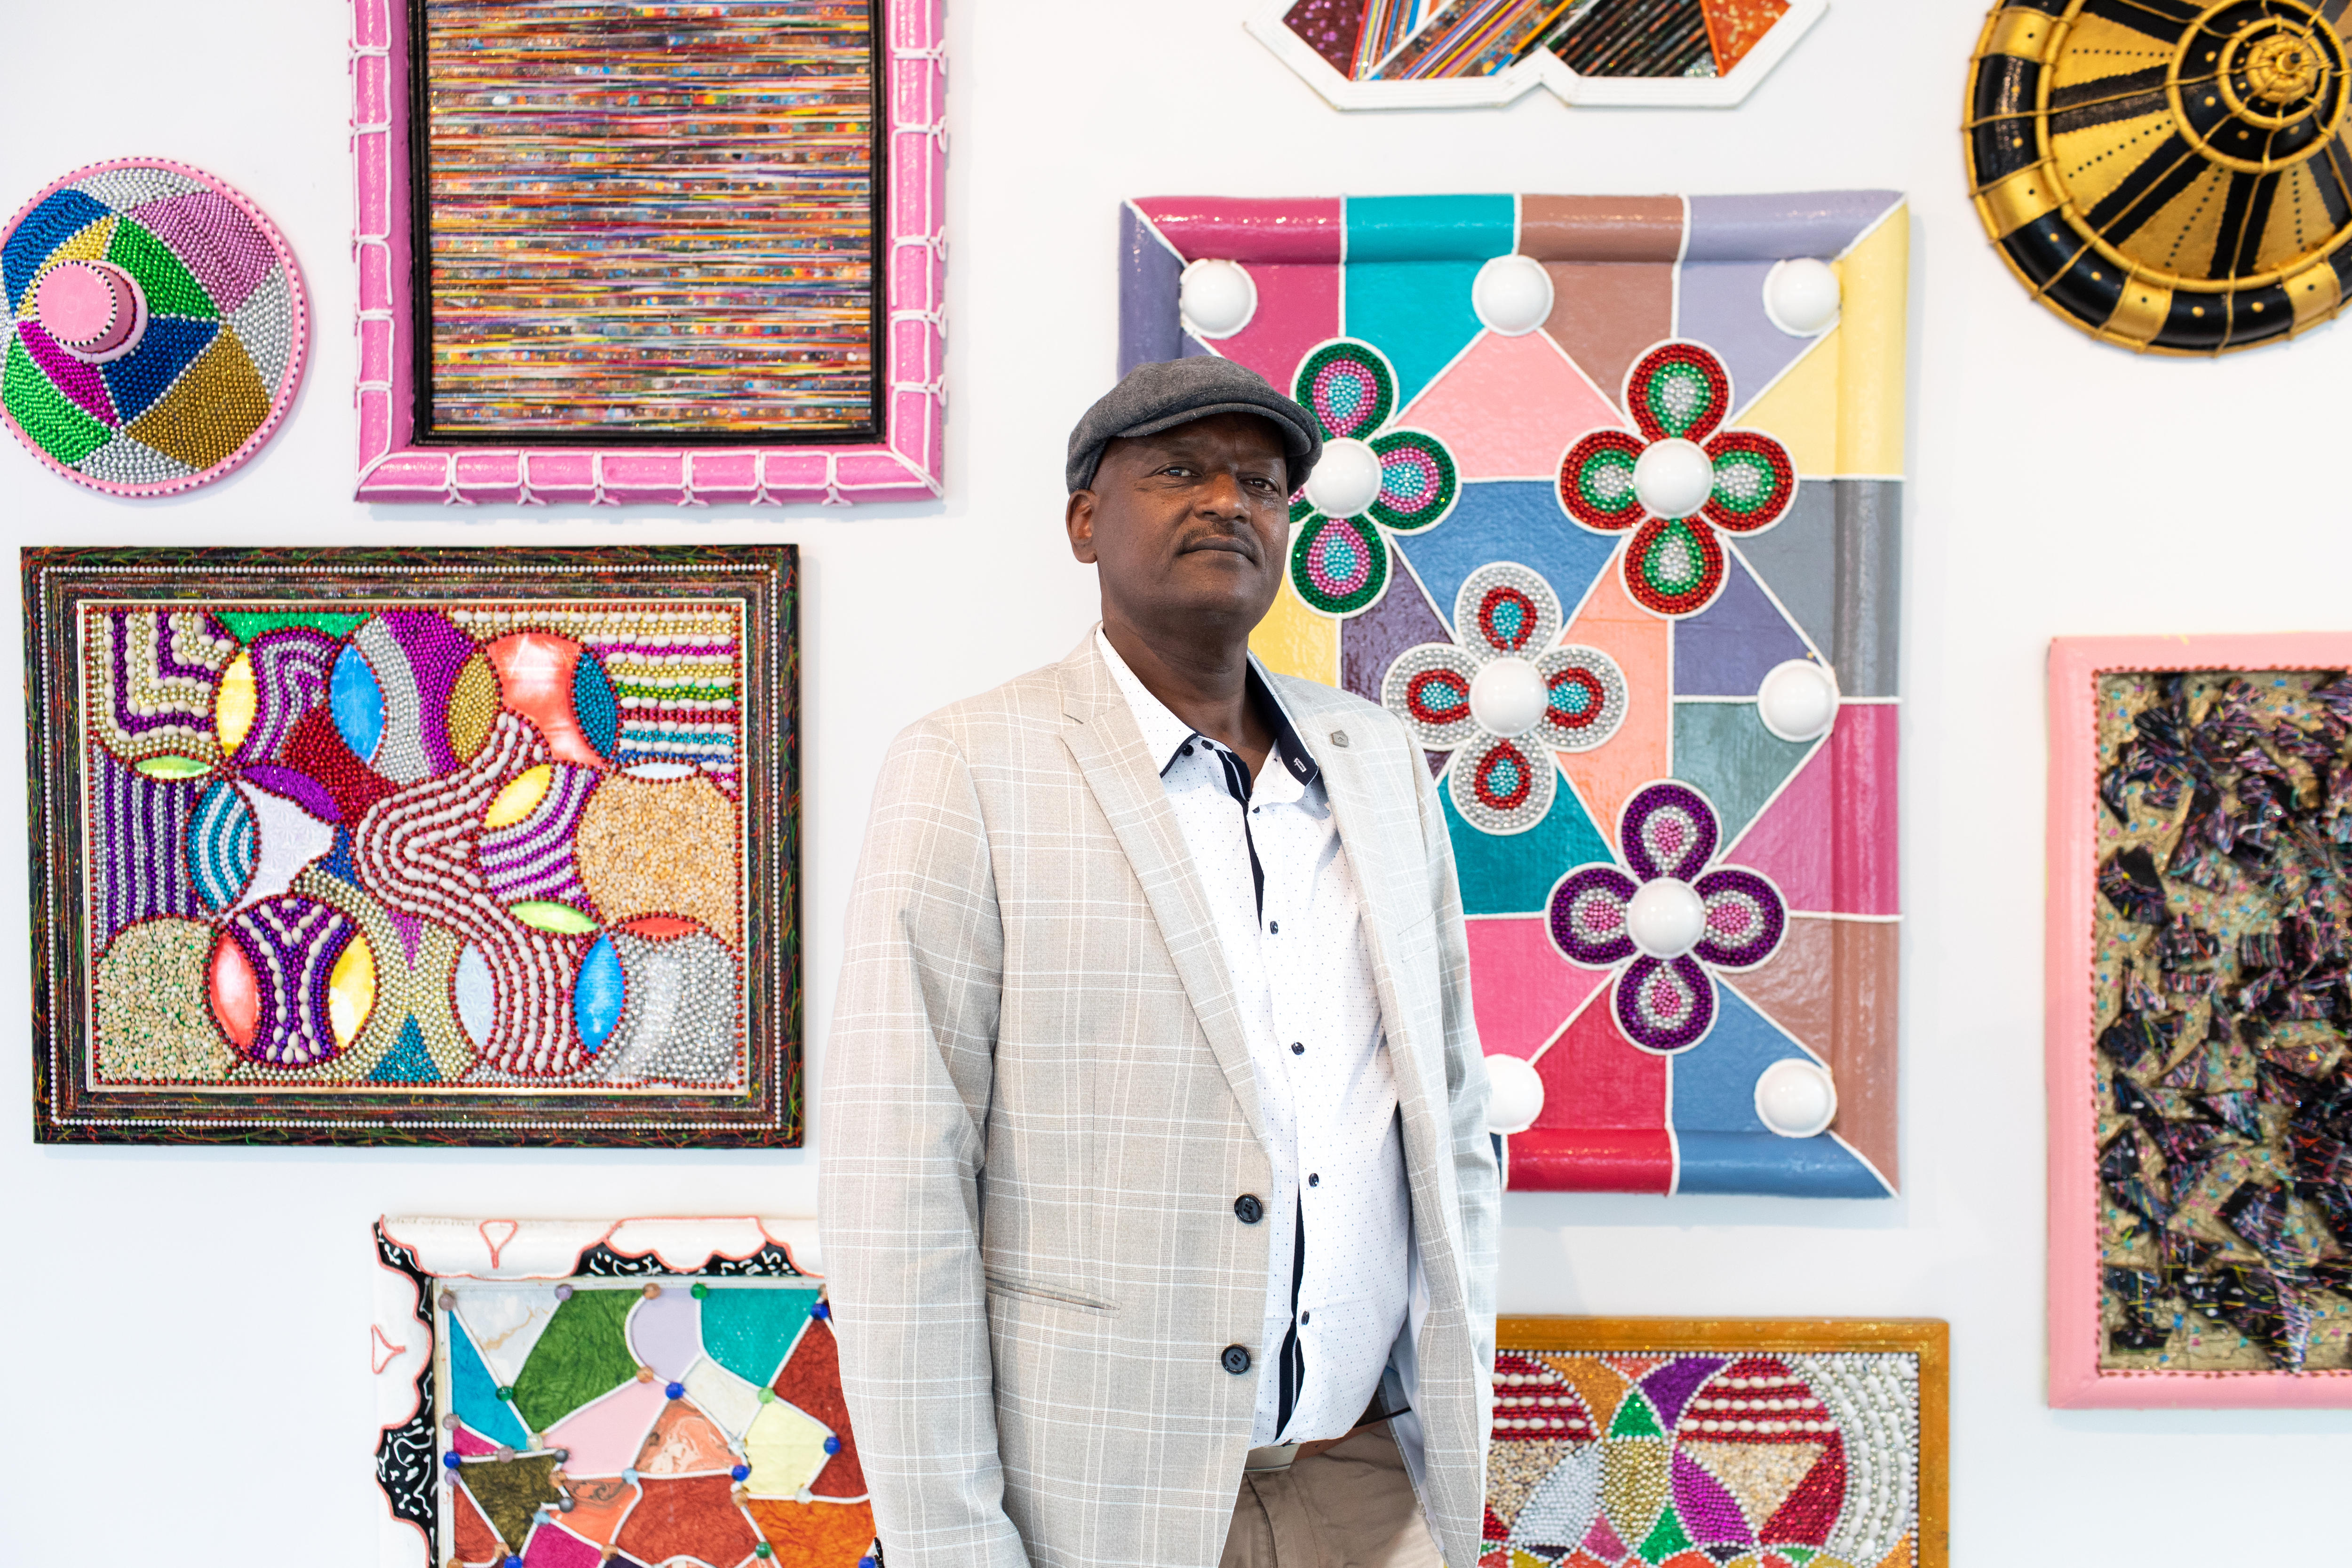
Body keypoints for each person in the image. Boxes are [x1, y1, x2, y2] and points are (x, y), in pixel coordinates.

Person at [821, 356, 1497, 1568]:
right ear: (1086, 521)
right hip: (1098, 1501)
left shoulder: (1378, 760)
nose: (1228, 501)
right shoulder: (969, 768)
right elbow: (898, 1189)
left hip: (1370, 1482)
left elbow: (1446, 1109)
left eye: (1262, 481)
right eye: (1178, 471)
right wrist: (955, 1547)